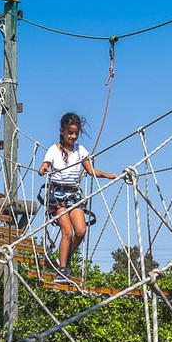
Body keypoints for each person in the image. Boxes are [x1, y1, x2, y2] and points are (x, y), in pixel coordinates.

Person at [38, 112, 118, 283]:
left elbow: (90, 171)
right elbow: (46, 164)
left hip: (74, 195)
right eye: (70, 133)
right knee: (67, 231)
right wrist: (43, 168)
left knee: (81, 231)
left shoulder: (81, 151)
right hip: (57, 195)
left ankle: (63, 258)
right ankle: (62, 270)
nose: (73, 137)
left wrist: (106, 175)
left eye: (75, 133)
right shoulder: (54, 149)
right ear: (62, 131)